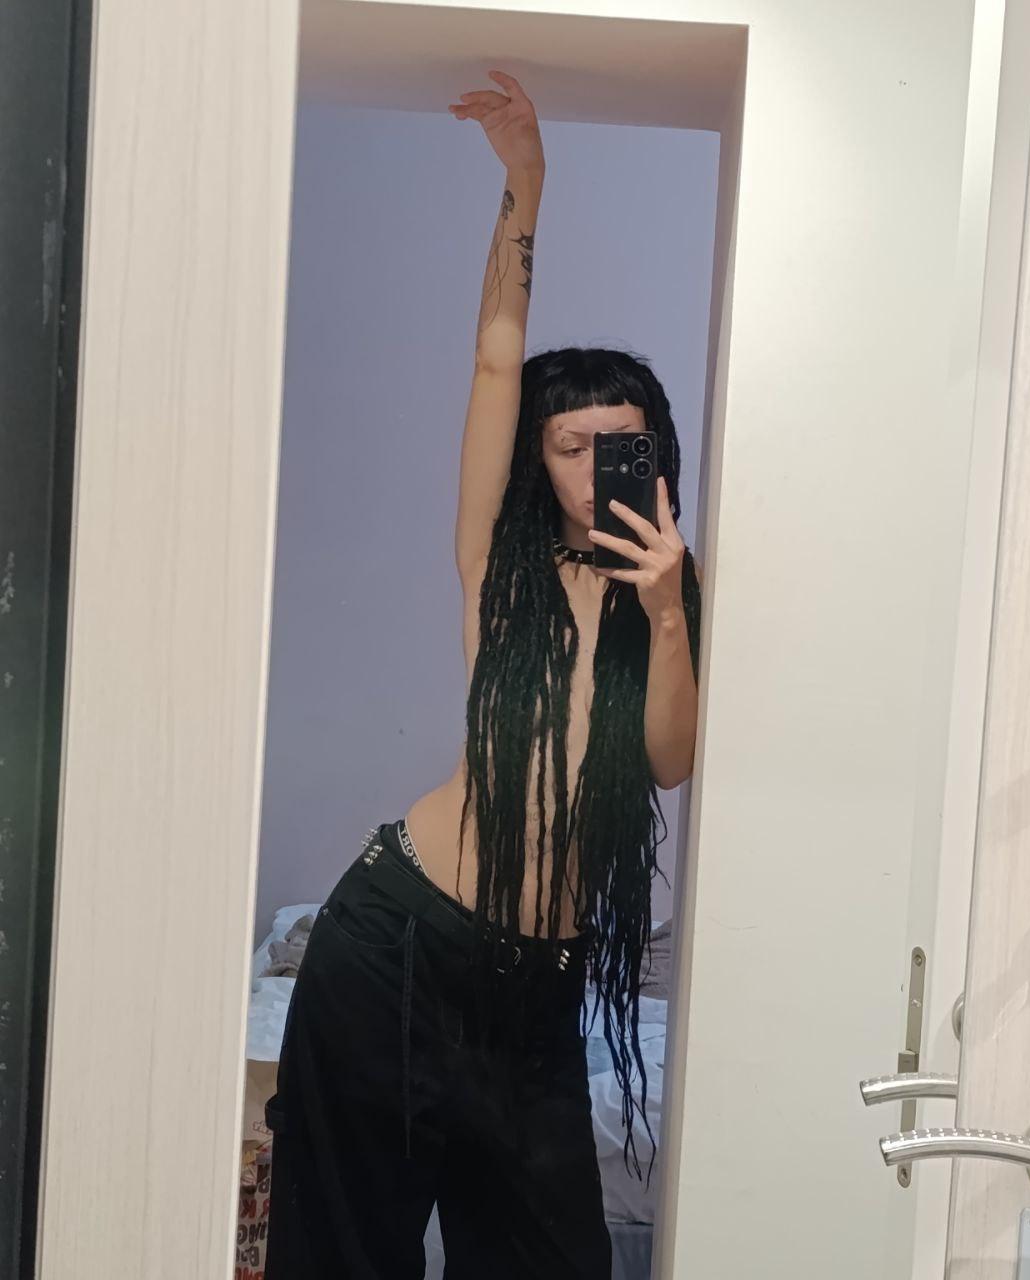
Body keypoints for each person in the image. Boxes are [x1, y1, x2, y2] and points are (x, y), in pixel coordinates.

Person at [262, 69, 702, 1280]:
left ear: (657, 451)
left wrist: (666, 609)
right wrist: (525, 184)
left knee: (552, 1260)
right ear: (536, 462)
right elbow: (495, 367)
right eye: (570, 443)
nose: (595, 461)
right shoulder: (497, 567)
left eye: (622, 442)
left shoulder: (675, 587)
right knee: (345, 1251)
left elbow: (668, 760)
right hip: (400, 940)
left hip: (535, 991)